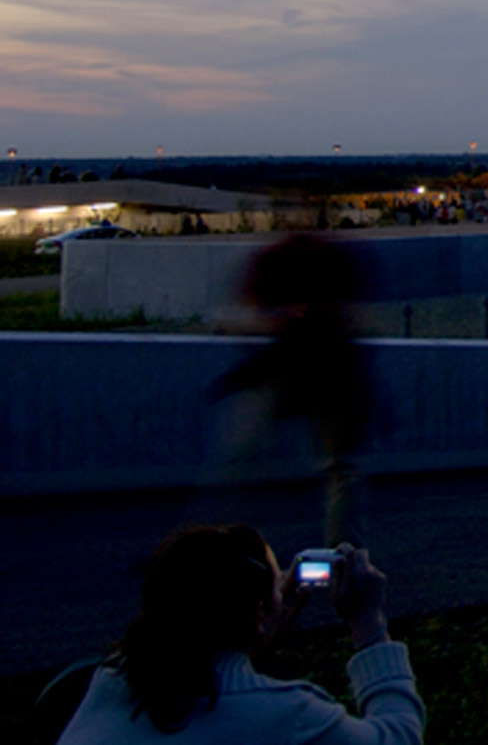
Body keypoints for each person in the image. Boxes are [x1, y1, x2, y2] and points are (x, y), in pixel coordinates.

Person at [58, 526, 421, 744]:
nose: (285, 586)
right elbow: (399, 737)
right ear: (258, 612)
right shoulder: (289, 715)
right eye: (276, 582)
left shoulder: (112, 680)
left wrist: (261, 630)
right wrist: (369, 625)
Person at [208, 235, 375, 547]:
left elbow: (256, 313)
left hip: (305, 370)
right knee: (340, 472)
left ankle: (209, 545)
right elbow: (350, 319)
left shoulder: (289, 256)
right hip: (322, 370)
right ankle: (344, 560)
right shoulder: (321, 255)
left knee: (241, 459)